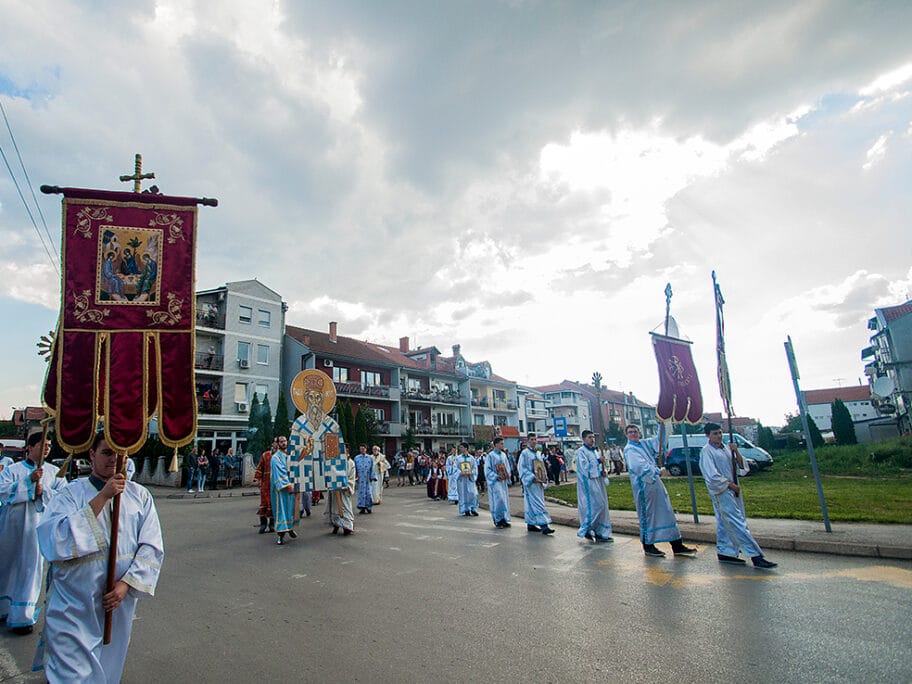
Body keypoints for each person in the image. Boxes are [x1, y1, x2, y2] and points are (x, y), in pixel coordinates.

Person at [34, 433, 163, 682]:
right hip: (74, 604)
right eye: (106, 452)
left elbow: (151, 546)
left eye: (118, 454)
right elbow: (55, 539)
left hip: (117, 603)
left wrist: (126, 585)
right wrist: (103, 496)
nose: (113, 459)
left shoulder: (140, 496)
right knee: (71, 673)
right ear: (92, 455)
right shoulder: (71, 494)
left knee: (108, 668)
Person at [0, 431, 65, 634]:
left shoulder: (55, 472)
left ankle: (22, 617)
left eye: (48, 445)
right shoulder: (13, 469)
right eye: (43, 445)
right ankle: (3, 608)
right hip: (12, 525)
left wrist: (41, 491)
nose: (47, 448)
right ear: (30, 447)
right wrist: (28, 482)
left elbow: (62, 498)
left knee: (30, 568)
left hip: (36, 527)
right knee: (6, 565)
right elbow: (2, 490)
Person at [699, 423, 777, 569]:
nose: (718, 436)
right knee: (736, 522)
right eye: (715, 433)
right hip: (721, 491)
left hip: (733, 489)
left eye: (720, 433)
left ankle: (726, 551)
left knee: (725, 522)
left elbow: (742, 467)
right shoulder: (706, 452)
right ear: (708, 435)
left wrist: (736, 452)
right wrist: (729, 485)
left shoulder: (727, 448)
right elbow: (711, 475)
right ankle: (756, 555)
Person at [623, 424, 696, 557]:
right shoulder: (630, 449)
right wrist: (657, 471)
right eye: (630, 432)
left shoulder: (644, 444)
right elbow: (638, 466)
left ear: (639, 433)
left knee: (667, 513)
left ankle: (677, 545)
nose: (633, 434)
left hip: (656, 484)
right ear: (626, 435)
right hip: (644, 487)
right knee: (648, 516)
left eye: (635, 431)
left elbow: (659, 441)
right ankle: (648, 545)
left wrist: (660, 424)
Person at [575, 430, 612, 542]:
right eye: (590, 437)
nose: (592, 439)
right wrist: (597, 461)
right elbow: (584, 468)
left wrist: (603, 471)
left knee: (602, 506)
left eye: (593, 437)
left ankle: (600, 531)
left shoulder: (595, 451)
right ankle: (586, 528)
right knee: (595, 506)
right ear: (584, 439)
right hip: (588, 483)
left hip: (598, 481)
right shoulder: (581, 452)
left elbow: (599, 466)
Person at [517, 435, 555, 534]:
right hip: (531, 482)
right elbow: (522, 468)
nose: (534, 442)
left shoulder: (538, 454)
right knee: (537, 503)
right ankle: (544, 525)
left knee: (532, 504)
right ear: (528, 441)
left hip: (539, 483)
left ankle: (531, 523)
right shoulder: (524, 454)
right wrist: (531, 476)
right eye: (532, 440)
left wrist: (544, 476)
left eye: (535, 440)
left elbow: (542, 467)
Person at [270, 436, 298, 545]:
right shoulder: (275, 457)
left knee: (290, 510)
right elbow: (280, 472)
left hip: (291, 487)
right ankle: (280, 536)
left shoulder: (291, 455)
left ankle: (290, 529)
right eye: (281, 442)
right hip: (281, 490)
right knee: (281, 510)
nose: (283, 443)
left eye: (285, 441)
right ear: (277, 444)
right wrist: (287, 485)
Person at [485, 438, 512, 529]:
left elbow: (507, 466)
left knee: (504, 499)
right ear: (496, 444)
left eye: (503, 444)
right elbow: (487, 469)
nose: (502, 445)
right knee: (498, 499)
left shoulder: (504, 455)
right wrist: (496, 476)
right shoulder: (491, 456)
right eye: (501, 444)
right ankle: (498, 520)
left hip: (503, 481)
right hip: (495, 482)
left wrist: (507, 474)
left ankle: (504, 518)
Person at [326, 454, 356, 536]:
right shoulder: (334, 461)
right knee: (334, 507)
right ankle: (336, 525)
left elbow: (352, 477)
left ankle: (347, 527)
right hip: (334, 490)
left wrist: (347, 485)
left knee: (345, 507)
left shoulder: (350, 463)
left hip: (344, 491)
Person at [454, 443, 479, 517]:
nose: (460, 449)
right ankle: (466, 510)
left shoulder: (471, 458)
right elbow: (455, 468)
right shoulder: (458, 458)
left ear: (466, 448)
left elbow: (475, 468)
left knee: (472, 494)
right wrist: (460, 473)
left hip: (469, 479)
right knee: (463, 494)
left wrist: (472, 473)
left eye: (462, 447)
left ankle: (473, 509)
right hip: (462, 480)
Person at [253, 447, 274, 534]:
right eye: (275, 443)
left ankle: (272, 525)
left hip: (275, 485)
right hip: (265, 484)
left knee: (273, 504)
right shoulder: (265, 455)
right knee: (264, 504)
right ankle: (263, 524)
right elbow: (260, 467)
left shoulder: (282, 455)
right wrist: (257, 479)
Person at [354, 445, 376, 514]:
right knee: (361, 493)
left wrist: (373, 477)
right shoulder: (357, 458)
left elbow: (372, 468)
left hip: (367, 478)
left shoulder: (370, 458)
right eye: (361, 449)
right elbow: (354, 469)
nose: (362, 450)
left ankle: (369, 507)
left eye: (363, 449)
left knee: (368, 493)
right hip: (360, 479)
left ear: (366, 449)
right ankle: (362, 508)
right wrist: (354, 477)